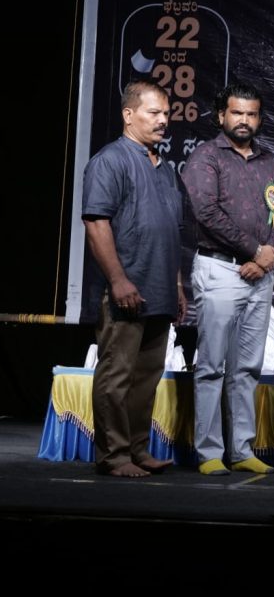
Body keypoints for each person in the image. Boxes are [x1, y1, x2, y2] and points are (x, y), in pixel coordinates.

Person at [81, 78, 187, 477]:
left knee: (146, 379)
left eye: (166, 113)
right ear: (129, 115)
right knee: (117, 376)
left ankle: (138, 449)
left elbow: (170, 231)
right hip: (126, 289)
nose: (163, 120)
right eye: (153, 112)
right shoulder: (110, 160)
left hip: (159, 291)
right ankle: (114, 456)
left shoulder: (165, 168)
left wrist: (177, 286)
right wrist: (119, 280)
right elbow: (96, 224)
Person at [182, 82, 274, 476]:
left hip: (260, 275)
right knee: (212, 366)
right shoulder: (206, 157)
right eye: (237, 113)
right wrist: (255, 250)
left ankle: (242, 450)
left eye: (251, 114)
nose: (244, 120)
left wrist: (267, 255)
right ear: (221, 115)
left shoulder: (270, 161)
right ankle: (209, 452)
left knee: (247, 368)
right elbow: (206, 213)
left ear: (259, 118)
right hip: (220, 269)